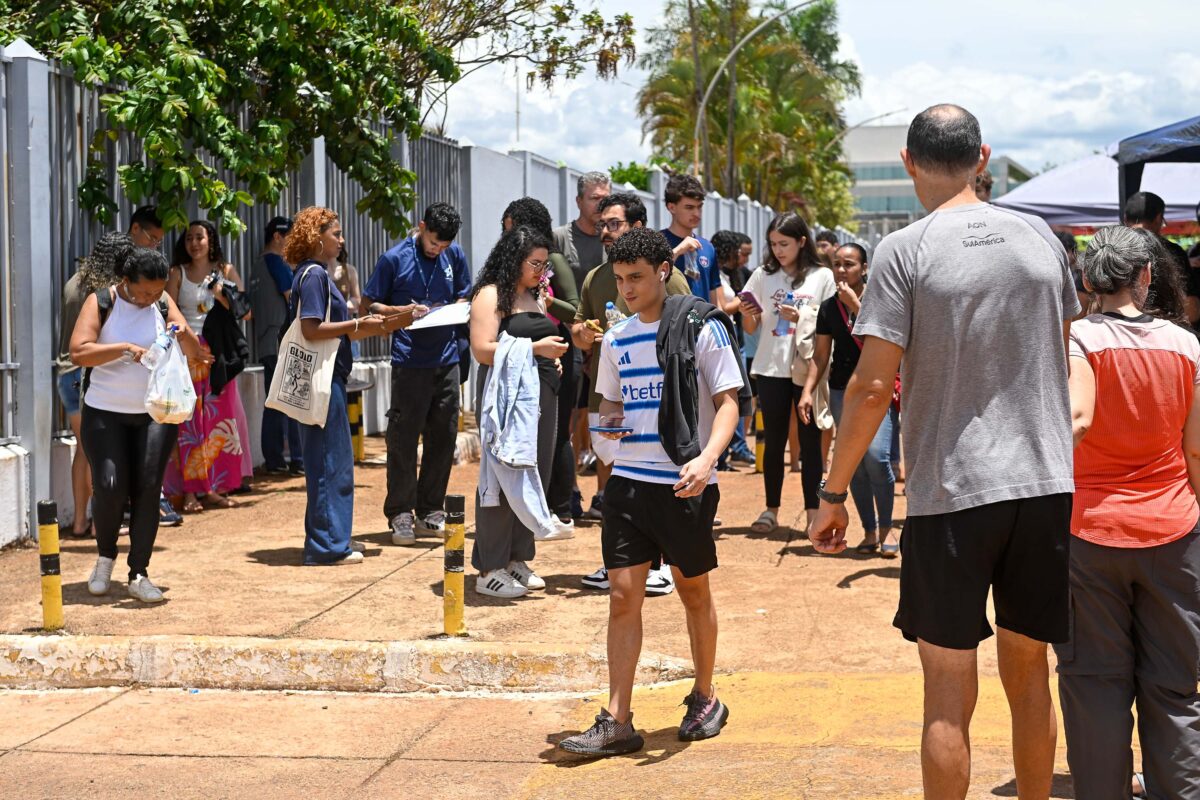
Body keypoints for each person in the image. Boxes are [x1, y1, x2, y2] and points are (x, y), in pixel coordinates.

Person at [810, 105, 1079, 800]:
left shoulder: (905, 249)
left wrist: (833, 494)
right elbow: (1067, 345)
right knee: (1031, 674)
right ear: (982, 156)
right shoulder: (1042, 239)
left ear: (908, 162)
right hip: (1043, 484)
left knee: (948, 688)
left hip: (952, 492)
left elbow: (870, 387)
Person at [557, 228, 743, 757]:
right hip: (629, 485)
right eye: (619, 280)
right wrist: (608, 429)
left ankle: (706, 695)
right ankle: (619, 719)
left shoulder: (701, 328)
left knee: (693, 592)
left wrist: (707, 461)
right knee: (621, 596)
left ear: (663, 270)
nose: (627, 289)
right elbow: (609, 408)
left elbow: (728, 402)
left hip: (684, 485)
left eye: (636, 277)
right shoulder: (615, 340)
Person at [1058, 225, 1200, 799]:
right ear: (1145, 277)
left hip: (1090, 532)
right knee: (1175, 688)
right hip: (1175, 529)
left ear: (1090, 280)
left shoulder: (1078, 340)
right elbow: (1195, 449)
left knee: (1093, 683)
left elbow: (1078, 419)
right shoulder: (1188, 345)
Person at [570, 193, 691, 595]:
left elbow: (686, 331)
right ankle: (619, 561)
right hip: (608, 390)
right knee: (612, 474)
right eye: (603, 224)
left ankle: (656, 563)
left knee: (658, 476)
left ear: (637, 227)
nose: (606, 231)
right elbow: (578, 327)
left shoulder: (668, 277)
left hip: (659, 398)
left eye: (615, 224)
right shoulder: (595, 276)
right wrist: (583, 335)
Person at [70, 246, 205, 602]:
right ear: (126, 281)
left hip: (155, 413)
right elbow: (79, 351)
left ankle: (139, 572)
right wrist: (124, 348)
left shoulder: (161, 304)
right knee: (110, 484)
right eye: (144, 291)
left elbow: (194, 350)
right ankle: (105, 557)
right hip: (104, 411)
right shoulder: (102, 302)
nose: (150, 298)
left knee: (148, 487)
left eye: (157, 291)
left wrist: (183, 334)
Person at [283, 207, 399, 565]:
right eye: (336, 233)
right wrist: (355, 324)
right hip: (323, 380)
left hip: (327, 377)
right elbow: (311, 329)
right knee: (328, 463)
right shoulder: (316, 275)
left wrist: (383, 320)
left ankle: (334, 539)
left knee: (332, 462)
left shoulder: (313, 273)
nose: (342, 239)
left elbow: (335, 326)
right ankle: (326, 546)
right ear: (318, 237)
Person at [469, 226, 573, 597]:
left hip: (541, 394)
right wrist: (535, 351)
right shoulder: (490, 296)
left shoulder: (535, 295)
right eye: (535, 264)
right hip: (507, 398)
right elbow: (483, 350)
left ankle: (517, 556)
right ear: (513, 258)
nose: (541, 272)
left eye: (545, 265)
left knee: (534, 473)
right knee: (502, 472)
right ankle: (489, 567)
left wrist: (550, 361)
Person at [363, 203, 472, 546]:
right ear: (421, 226)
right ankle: (400, 513)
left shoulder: (454, 254)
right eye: (433, 242)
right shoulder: (394, 258)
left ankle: (430, 510)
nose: (438, 249)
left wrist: (457, 307)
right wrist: (404, 311)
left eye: (444, 245)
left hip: (447, 358)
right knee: (403, 440)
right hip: (409, 359)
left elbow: (465, 293)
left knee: (444, 437)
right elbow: (370, 303)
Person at [800, 244, 898, 556]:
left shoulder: (881, 301)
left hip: (879, 388)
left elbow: (887, 342)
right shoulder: (828, 307)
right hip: (844, 390)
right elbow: (820, 355)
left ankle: (888, 527)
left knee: (877, 457)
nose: (842, 270)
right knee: (852, 462)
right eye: (837, 264)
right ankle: (869, 531)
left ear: (864, 268)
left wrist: (856, 306)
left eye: (850, 264)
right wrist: (807, 391)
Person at [741, 212, 835, 536]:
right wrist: (748, 314)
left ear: (801, 242)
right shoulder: (762, 276)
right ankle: (771, 510)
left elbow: (829, 324)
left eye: (784, 244)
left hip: (807, 368)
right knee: (773, 440)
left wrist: (803, 316)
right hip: (769, 367)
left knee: (810, 444)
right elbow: (751, 327)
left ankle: (813, 512)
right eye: (773, 244)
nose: (778, 251)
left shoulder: (822, 276)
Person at [164, 220, 254, 513]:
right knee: (189, 425)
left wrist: (220, 295)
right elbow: (168, 313)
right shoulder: (176, 273)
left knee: (218, 421)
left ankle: (215, 488)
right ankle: (190, 493)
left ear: (211, 240)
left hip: (218, 355)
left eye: (199, 237)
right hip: (188, 353)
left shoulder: (225, 271)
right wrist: (189, 346)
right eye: (189, 238)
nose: (193, 243)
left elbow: (247, 311)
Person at [502, 198, 580, 528]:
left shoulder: (555, 261)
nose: (507, 236)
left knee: (557, 435)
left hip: (559, 354)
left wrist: (548, 301)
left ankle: (560, 506)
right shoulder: (510, 267)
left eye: (512, 228)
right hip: (529, 356)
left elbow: (575, 308)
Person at [251, 215, 304, 477]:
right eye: (291, 238)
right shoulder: (275, 261)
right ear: (278, 237)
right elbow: (292, 297)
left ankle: (274, 459)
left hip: (265, 341)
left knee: (274, 402)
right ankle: (297, 458)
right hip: (280, 341)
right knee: (291, 398)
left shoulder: (257, 265)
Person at [712, 230, 755, 466]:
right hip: (724, 340)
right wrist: (743, 300)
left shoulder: (736, 274)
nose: (743, 258)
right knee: (728, 397)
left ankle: (735, 447)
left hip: (737, 340)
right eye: (740, 252)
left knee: (739, 396)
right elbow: (720, 307)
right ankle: (728, 449)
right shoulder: (715, 274)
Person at [1124, 190, 1199, 324]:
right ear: (1159, 218)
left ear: (1125, 218)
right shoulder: (1173, 252)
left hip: (1117, 335)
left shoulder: (1110, 249)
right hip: (1165, 336)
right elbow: (1191, 309)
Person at [659, 174, 722, 306]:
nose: (697, 214)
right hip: (670, 323)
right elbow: (652, 279)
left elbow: (713, 296)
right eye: (689, 207)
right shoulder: (657, 242)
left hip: (702, 323)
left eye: (699, 207)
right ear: (671, 207)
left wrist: (717, 322)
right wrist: (677, 251)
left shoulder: (708, 247)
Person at [553, 171, 611, 288]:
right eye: (595, 198)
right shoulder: (559, 238)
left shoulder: (614, 238)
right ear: (579, 202)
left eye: (605, 199)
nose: (601, 204)